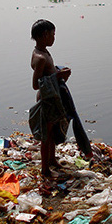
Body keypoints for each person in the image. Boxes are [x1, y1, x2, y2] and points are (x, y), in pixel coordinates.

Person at [29, 19, 91, 189]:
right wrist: (57, 77)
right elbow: (36, 84)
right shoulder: (40, 57)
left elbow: (48, 73)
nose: (54, 38)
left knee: (54, 130)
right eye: (52, 34)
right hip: (46, 99)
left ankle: (52, 160)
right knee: (47, 135)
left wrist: (58, 71)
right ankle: (45, 170)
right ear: (44, 35)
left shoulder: (44, 52)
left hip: (52, 97)